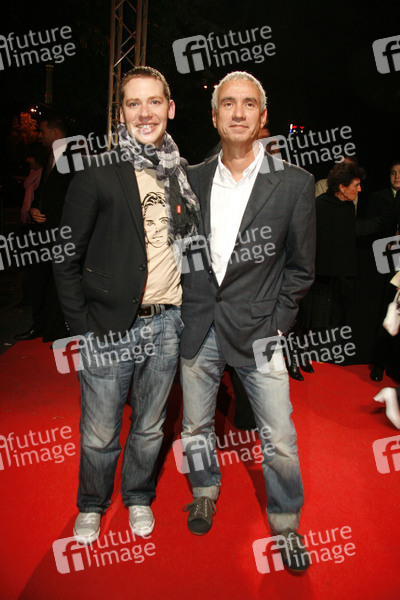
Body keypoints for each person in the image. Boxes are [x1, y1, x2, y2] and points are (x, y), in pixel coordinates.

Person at [53, 66, 199, 545]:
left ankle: (138, 495)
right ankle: (92, 504)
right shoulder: (98, 171)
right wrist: (82, 325)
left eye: (154, 101)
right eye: (134, 103)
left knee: (151, 426)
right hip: (108, 327)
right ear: (121, 113)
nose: (144, 113)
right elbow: (66, 256)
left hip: (168, 323)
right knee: (99, 431)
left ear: (169, 108)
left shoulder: (182, 174)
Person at [178, 71, 316, 572]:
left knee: (278, 437)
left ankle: (286, 523)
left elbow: (301, 268)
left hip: (261, 331)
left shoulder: (294, 183)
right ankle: (204, 492)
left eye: (249, 104)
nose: (238, 113)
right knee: (195, 427)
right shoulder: (190, 179)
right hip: (198, 324)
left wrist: (277, 324)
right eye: (228, 103)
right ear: (214, 115)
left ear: (263, 116)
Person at [14, 114, 74, 342]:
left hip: (61, 233)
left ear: (55, 133)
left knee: (58, 284)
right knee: (39, 280)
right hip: (42, 234)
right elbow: (44, 193)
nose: (40, 135)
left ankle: (57, 329)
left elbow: (76, 196)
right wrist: (33, 209)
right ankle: (40, 326)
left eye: (42, 131)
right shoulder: (50, 157)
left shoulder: (73, 157)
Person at [366, 160, 400, 381]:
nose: (396, 177)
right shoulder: (378, 198)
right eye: (393, 173)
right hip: (385, 265)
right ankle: (378, 364)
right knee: (387, 311)